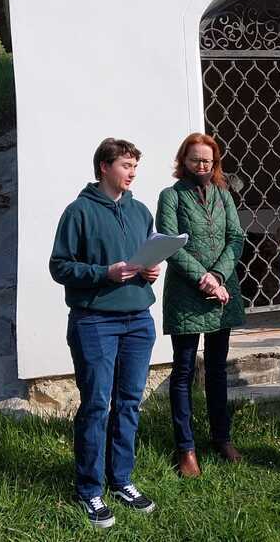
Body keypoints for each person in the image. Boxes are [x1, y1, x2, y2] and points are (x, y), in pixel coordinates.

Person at [49, 138, 161, 529]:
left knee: (129, 403)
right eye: (126, 165)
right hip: (95, 321)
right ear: (104, 167)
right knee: (97, 404)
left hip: (139, 320)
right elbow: (59, 266)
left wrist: (150, 271)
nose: (132, 173)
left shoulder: (140, 211)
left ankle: (122, 480)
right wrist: (104, 273)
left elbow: (147, 255)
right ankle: (89, 489)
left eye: (135, 167)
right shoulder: (78, 212)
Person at [156, 133, 246, 477]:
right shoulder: (171, 196)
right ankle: (186, 448)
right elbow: (169, 242)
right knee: (183, 371)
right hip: (186, 294)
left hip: (222, 292)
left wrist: (219, 276)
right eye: (195, 159)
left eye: (207, 160)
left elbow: (236, 238)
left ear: (215, 162)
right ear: (184, 160)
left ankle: (222, 438)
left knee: (217, 369)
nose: (201, 165)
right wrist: (203, 278)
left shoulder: (223, 195)